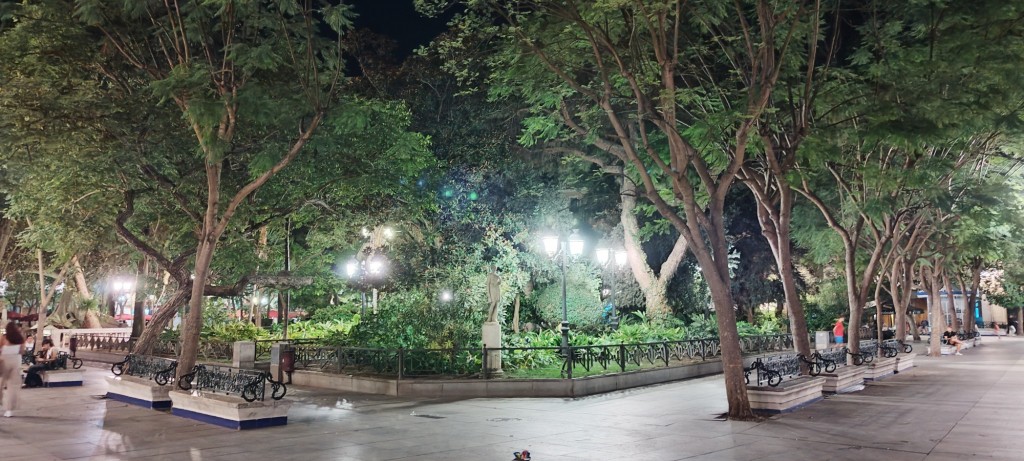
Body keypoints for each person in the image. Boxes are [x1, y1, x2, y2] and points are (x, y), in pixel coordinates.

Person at [0, 323, 26, 417]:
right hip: (16, 361)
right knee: (13, 387)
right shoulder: (20, 338)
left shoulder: (4, 337)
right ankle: (9, 410)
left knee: (0, 383)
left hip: (4, 361)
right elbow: (22, 351)